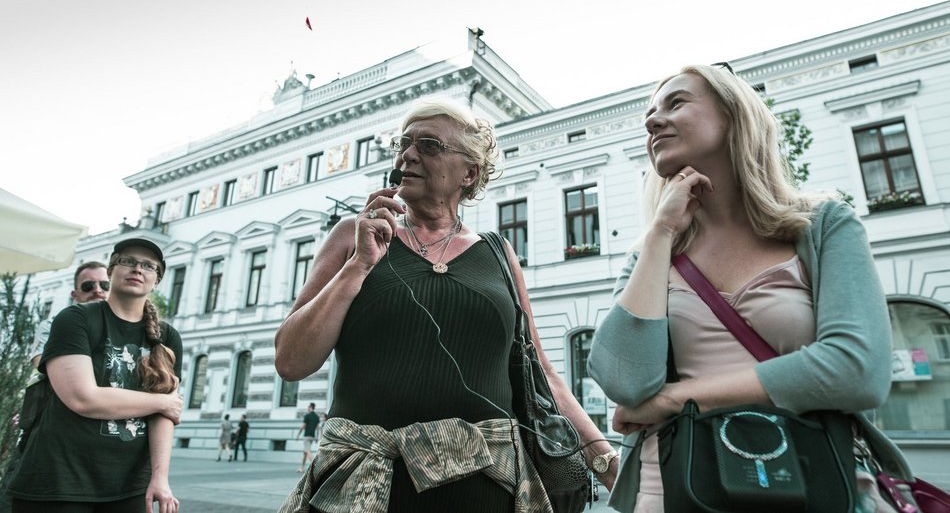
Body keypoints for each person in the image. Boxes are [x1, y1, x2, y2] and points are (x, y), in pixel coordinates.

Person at [275, 96, 617, 513]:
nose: (408, 155)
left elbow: (541, 371)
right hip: (363, 486)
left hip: (483, 488)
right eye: (404, 144)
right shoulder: (353, 235)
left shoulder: (499, 253)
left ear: (469, 173)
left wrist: (605, 461)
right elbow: (291, 361)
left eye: (429, 145)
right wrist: (359, 266)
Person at [587, 64, 892, 512]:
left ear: (734, 115)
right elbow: (625, 383)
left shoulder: (822, 226)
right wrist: (660, 233)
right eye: (650, 114)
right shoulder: (650, 255)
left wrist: (676, 399)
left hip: (814, 483)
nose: (652, 121)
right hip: (672, 491)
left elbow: (856, 369)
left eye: (676, 103)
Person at [8, 238, 184, 513]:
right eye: (128, 261)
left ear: (157, 280)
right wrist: (162, 402)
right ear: (112, 270)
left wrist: (160, 478)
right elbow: (82, 398)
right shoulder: (74, 319)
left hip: (131, 486)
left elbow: (164, 418)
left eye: (148, 266)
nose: (138, 269)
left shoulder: (167, 337)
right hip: (59, 482)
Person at [0, 262, 112, 513]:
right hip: (48, 429)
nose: (98, 290)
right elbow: (44, 364)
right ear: (75, 294)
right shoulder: (52, 324)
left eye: (104, 284)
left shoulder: (119, 330)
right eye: (88, 285)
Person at [295, 403, 319, 472]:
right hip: (312, 436)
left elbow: (302, 426)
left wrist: (298, 435)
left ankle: (315, 465)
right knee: (305, 452)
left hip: (307, 436)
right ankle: (301, 468)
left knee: (307, 451)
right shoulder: (316, 417)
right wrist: (317, 437)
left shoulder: (307, 416)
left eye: (308, 407)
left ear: (310, 407)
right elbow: (318, 428)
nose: (307, 408)